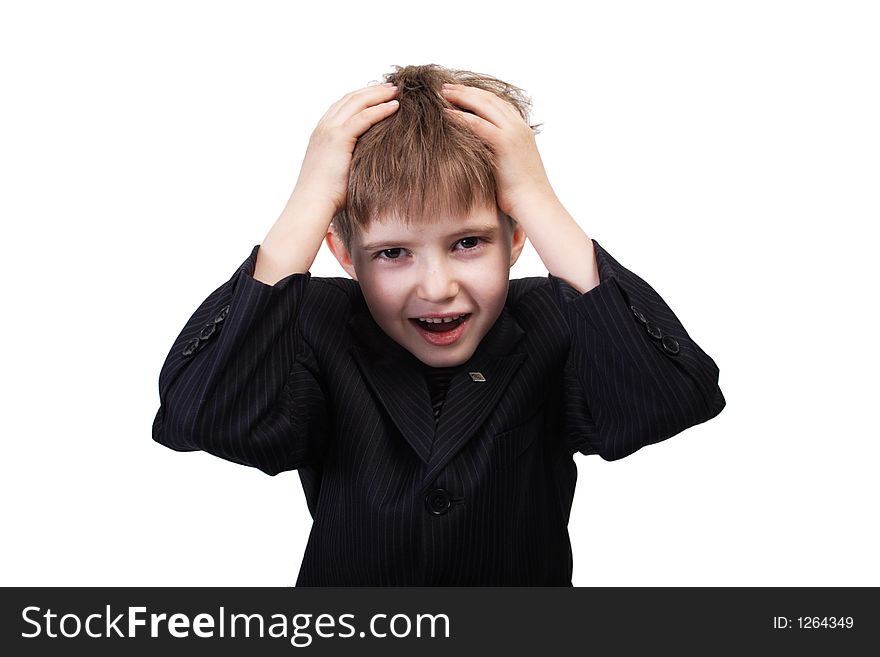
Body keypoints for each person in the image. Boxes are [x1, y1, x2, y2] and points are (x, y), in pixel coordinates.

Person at [152, 63, 726, 586]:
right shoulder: (312, 323)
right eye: (393, 253)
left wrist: (534, 195)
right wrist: (309, 200)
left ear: (518, 237)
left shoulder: (554, 319)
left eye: (469, 242)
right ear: (344, 255)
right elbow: (206, 415)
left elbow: (670, 398)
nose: (436, 287)